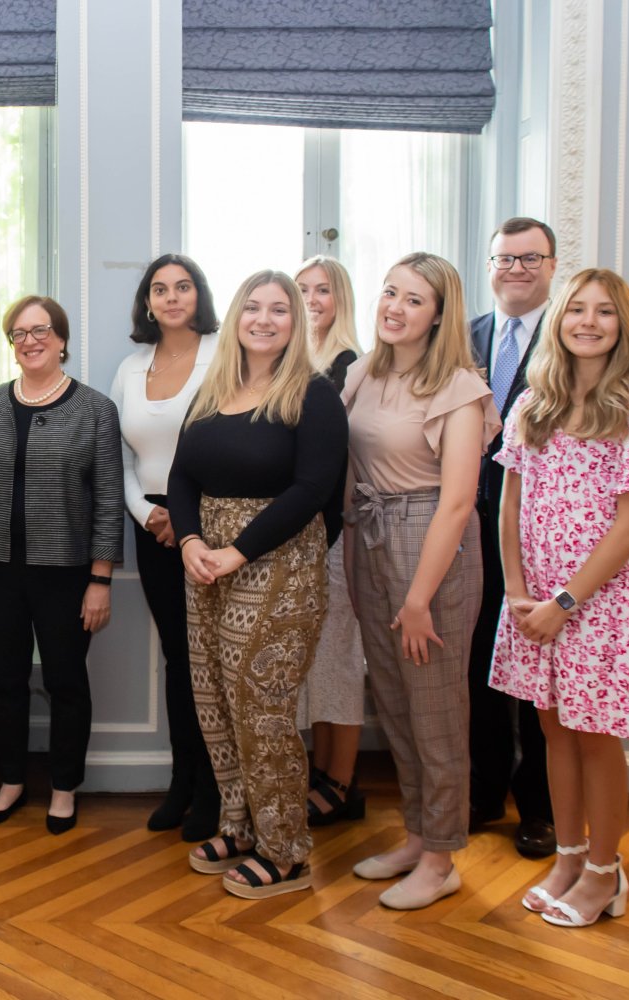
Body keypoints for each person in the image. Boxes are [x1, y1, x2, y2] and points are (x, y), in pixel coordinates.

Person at [489, 269, 629, 927]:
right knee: (552, 727)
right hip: (532, 602)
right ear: (559, 321)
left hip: (600, 603)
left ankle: (604, 872)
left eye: (604, 312)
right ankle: (568, 858)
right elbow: (510, 505)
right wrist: (517, 592)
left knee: (595, 734)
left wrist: (564, 602)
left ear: (624, 326)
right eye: (577, 310)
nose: (588, 321)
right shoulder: (530, 408)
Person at [171, 270, 346, 898]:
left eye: (280, 309)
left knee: (261, 705)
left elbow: (313, 490)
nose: (264, 319)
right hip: (205, 564)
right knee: (215, 700)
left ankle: (287, 850)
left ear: (297, 322)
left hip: (279, 565)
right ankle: (240, 825)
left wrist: (237, 551)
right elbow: (181, 476)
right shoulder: (214, 388)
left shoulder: (314, 394)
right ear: (237, 318)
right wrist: (192, 541)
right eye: (253, 308)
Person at [341, 252, 500, 910]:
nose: (394, 308)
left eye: (413, 300)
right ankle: (416, 834)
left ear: (438, 317)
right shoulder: (360, 373)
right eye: (389, 293)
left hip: (428, 545)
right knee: (396, 705)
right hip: (369, 535)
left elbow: (459, 501)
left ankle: (442, 859)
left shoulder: (459, 387)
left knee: (436, 710)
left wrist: (417, 598)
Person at [0, 296, 123, 835]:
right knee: (3, 677)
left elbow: (108, 499)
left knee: (65, 680)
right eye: (18, 333)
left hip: (67, 572)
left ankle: (63, 787)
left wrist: (100, 580)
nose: (30, 341)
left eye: (40, 330)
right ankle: (10, 781)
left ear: (61, 339)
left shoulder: (95, 409)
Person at [109, 253, 220, 841]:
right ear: (147, 302)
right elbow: (120, 455)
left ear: (198, 295)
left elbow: (231, 439)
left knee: (210, 656)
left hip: (209, 524)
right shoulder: (131, 367)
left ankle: (215, 786)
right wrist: (146, 512)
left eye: (182, 287)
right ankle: (184, 780)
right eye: (160, 289)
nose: (172, 297)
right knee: (179, 655)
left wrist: (188, 517)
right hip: (151, 524)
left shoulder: (223, 357)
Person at [469, 217, 560, 858]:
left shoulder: (572, 335)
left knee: (535, 680)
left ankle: (540, 809)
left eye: (531, 258)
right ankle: (482, 793)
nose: (516, 269)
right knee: (475, 671)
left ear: (552, 265)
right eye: (505, 258)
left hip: (542, 536)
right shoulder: (467, 335)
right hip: (467, 529)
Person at [292, 255, 366, 827]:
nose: (311, 298)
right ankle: (319, 772)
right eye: (302, 289)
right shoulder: (295, 363)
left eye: (323, 290)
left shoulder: (349, 365)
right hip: (303, 535)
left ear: (340, 298)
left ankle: (341, 781)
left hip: (338, 536)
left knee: (339, 660)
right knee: (314, 663)